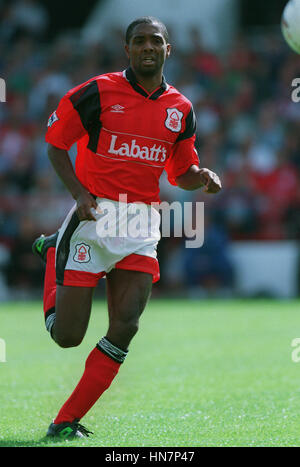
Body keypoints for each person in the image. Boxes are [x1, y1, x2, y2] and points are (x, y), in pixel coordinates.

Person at [32, 16, 221, 439]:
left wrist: (201, 177)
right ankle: (53, 253)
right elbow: (55, 144)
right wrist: (80, 194)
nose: (148, 47)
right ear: (127, 49)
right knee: (66, 337)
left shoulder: (181, 109)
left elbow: (180, 171)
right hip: (94, 219)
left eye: (156, 41)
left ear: (168, 50)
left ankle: (65, 421)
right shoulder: (97, 92)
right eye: (140, 41)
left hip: (141, 223)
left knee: (126, 325)